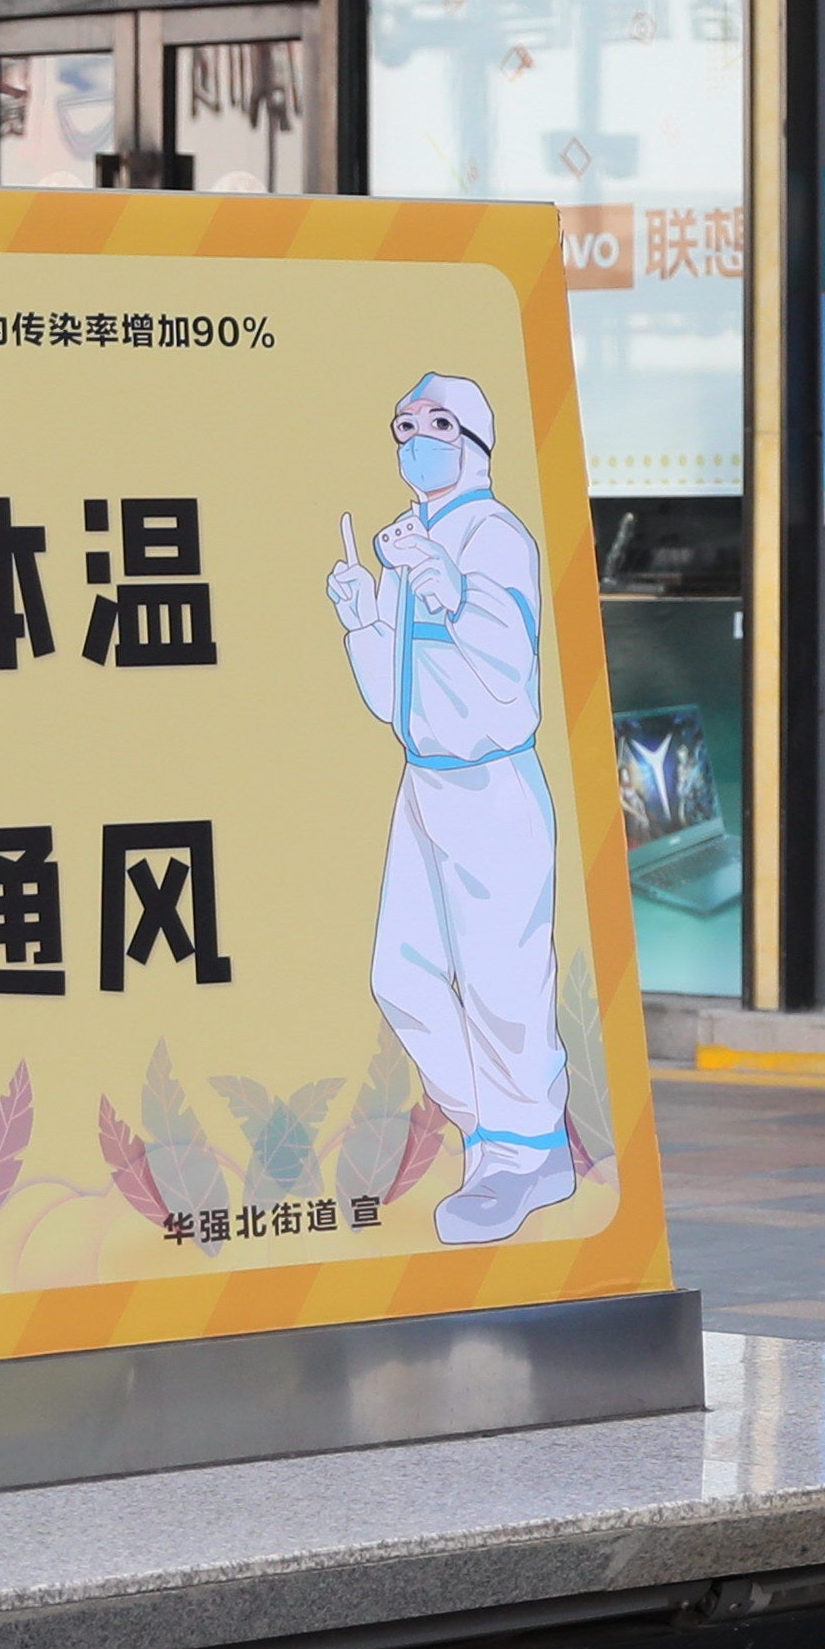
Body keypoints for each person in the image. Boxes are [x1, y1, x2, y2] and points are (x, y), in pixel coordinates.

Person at [329, 369, 585, 1243]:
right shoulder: (407, 541)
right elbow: (393, 693)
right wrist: (365, 618)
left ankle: (521, 1158)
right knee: (399, 974)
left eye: (437, 421)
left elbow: (510, 679)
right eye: (404, 422)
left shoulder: (497, 538)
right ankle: (508, 1136)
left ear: (475, 439)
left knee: (503, 982)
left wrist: (448, 590)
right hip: (423, 779)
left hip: (492, 781)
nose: (416, 437)